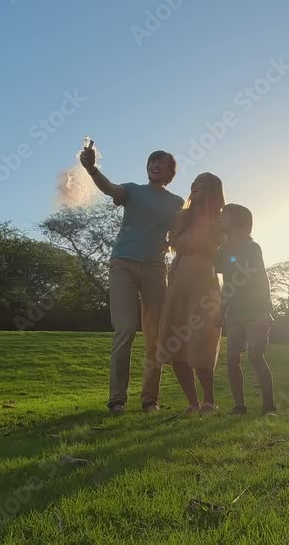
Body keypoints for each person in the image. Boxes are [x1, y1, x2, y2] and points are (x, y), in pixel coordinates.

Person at [79, 143, 185, 413]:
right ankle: (117, 398)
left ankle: (150, 399)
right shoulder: (133, 191)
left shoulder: (176, 202)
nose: (155, 165)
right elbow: (110, 188)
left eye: (161, 163)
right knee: (125, 329)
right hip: (123, 264)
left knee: (155, 336)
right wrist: (92, 169)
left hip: (154, 269)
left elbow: (179, 235)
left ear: (170, 172)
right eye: (152, 161)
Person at [157, 172, 225, 413]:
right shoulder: (181, 216)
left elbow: (227, 253)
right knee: (175, 341)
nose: (195, 186)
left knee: (202, 340)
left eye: (202, 183)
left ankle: (209, 401)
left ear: (214, 191)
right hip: (178, 279)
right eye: (194, 182)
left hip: (205, 280)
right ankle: (192, 403)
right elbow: (171, 244)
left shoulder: (221, 220)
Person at [214, 204, 277, 415]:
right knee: (232, 358)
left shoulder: (252, 248)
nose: (219, 217)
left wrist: (265, 309)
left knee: (255, 356)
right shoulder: (223, 250)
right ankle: (239, 406)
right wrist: (221, 312)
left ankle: (269, 407)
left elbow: (261, 279)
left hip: (256, 311)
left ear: (237, 221)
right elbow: (225, 281)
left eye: (224, 215)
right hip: (234, 313)